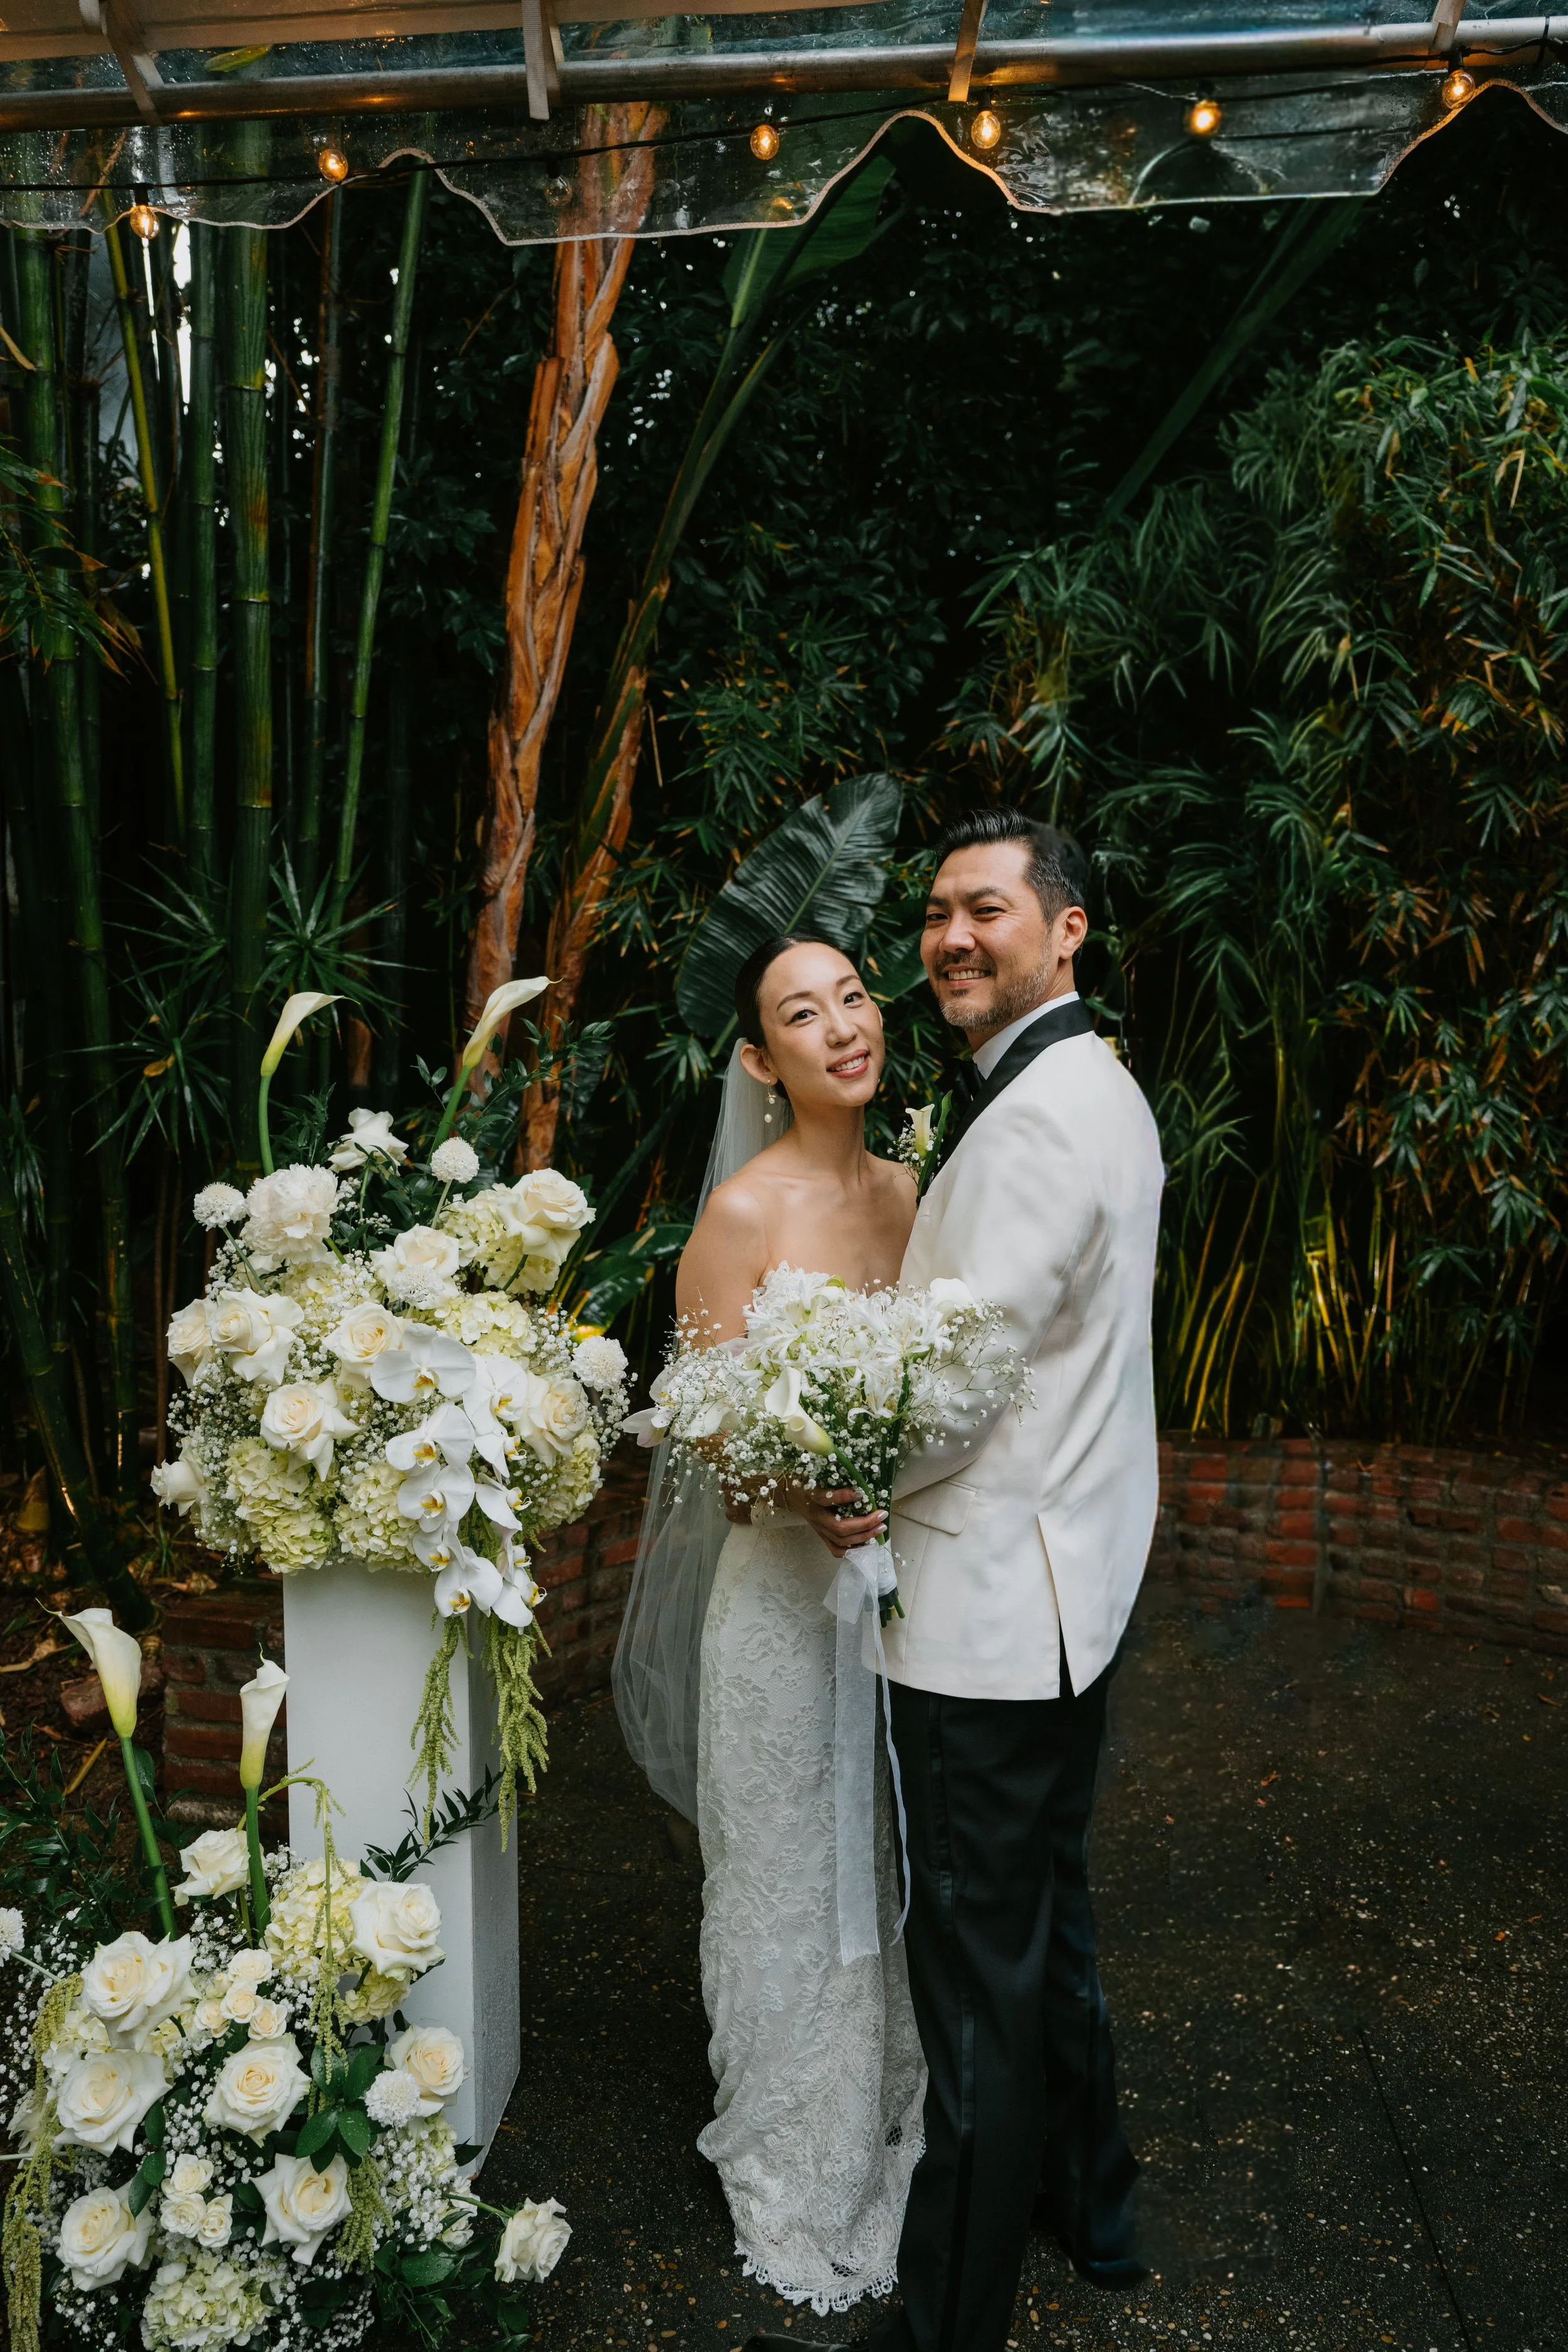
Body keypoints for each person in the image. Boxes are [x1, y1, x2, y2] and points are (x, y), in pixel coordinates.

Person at [751, 810, 1165, 2352]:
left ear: (1065, 930)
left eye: (984, 908)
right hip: (1068, 1590)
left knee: (976, 1992)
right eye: (932, 912)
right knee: (1042, 1927)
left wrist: (833, 1480)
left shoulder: (1042, 1115)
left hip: (991, 1612)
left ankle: (944, 2322)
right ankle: (1093, 2203)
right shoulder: (1090, 1082)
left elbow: (947, 1394)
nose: (946, 938)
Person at [615, 931, 928, 2316]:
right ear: (760, 1058)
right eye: (803, 1014)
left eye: (853, 995)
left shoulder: (914, 1192)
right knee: (785, 1876)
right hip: (777, 1613)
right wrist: (811, 1488)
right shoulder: (740, 1216)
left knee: (878, 1862)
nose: (842, 1027)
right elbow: (714, 1465)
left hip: (891, 1602)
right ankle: (793, 2145)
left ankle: (879, 2102)